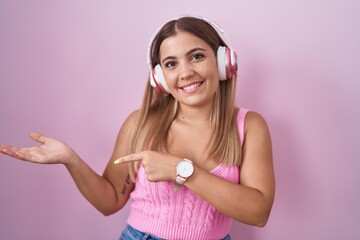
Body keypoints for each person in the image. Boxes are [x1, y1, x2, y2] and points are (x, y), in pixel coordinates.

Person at [0, 16, 275, 240]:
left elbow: (258, 212)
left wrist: (181, 169)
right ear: (160, 78)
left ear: (222, 62)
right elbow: (110, 202)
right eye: (171, 64)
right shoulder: (140, 125)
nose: (185, 72)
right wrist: (70, 159)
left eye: (196, 56)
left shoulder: (249, 126)